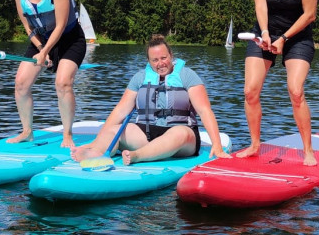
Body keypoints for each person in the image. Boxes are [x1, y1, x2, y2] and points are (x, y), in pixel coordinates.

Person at [70, 35, 227, 165]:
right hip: (147, 134)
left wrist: (217, 145)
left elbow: (204, 110)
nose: (160, 63)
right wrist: (96, 141)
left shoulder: (187, 75)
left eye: (164, 58)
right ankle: (97, 153)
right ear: (149, 61)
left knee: (179, 133)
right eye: (155, 60)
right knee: (114, 129)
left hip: (183, 141)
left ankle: (138, 156)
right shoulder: (140, 78)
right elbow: (120, 111)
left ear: (171, 55)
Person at [237, 0, 319, 165]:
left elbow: (310, 14)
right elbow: (260, 5)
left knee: (295, 91)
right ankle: (254, 145)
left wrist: (283, 39)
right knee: (250, 91)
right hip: (265, 32)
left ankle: (308, 150)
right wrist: (264, 32)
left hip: (298, 35)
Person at [7, 0, 87, 147]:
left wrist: (46, 53)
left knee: (63, 83)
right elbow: (27, 26)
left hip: (70, 39)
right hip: (41, 40)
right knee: (21, 84)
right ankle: (27, 131)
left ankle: (67, 135)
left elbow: (60, 26)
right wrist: (42, 49)